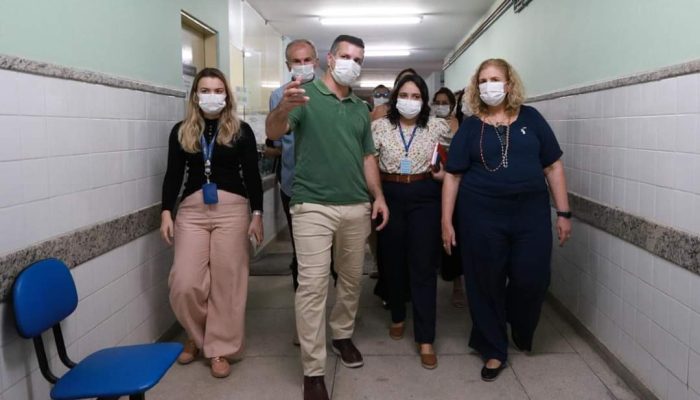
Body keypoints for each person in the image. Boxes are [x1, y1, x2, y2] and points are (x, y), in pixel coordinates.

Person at [266, 34, 389, 400]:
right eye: (347, 56)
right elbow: (274, 133)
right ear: (330, 59)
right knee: (313, 286)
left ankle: (342, 336)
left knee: (351, 280)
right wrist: (283, 108)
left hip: (355, 206)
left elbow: (368, 157)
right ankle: (313, 370)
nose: (353, 62)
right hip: (311, 206)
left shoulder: (358, 109)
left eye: (359, 58)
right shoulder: (304, 96)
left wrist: (378, 196)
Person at [442, 58, 572, 382]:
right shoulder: (471, 126)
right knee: (485, 282)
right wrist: (446, 221)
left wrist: (564, 212)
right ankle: (493, 349)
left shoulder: (531, 119)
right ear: (476, 87)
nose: (489, 85)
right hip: (480, 216)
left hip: (530, 215)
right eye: (483, 80)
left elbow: (553, 167)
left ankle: (519, 325)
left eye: (495, 78)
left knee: (533, 278)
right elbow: (453, 176)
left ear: (509, 84)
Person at [160, 67, 263, 379]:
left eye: (218, 90)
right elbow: (173, 174)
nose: (212, 96)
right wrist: (167, 210)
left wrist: (257, 214)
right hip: (191, 211)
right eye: (206, 90)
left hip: (232, 210)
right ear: (195, 96)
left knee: (227, 283)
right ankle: (198, 334)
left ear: (227, 96)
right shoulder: (181, 131)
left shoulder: (241, 131)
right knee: (184, 282)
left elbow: (253, 176)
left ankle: (219, 348)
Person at [372, 74, 449, 370]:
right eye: (405, 95)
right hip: (389, 193)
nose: (410, 101)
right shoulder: (379, 127)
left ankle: (426, 337)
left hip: (425, 195)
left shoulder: (437, 127)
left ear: (424, 100)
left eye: (416, 96)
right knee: (391, 260)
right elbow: (368, 162)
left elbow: (453, 159)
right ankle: (397, 316)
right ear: (395, 98)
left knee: (423, 265)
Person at [431, 87, 465, 308]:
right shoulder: (428, 124)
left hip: (458, 187)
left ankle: (457, 283)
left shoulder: (463, 124)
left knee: (456, 233)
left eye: (446, 101)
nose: (442, 104)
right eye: (438, 101)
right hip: (433, 184)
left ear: (453, 104)